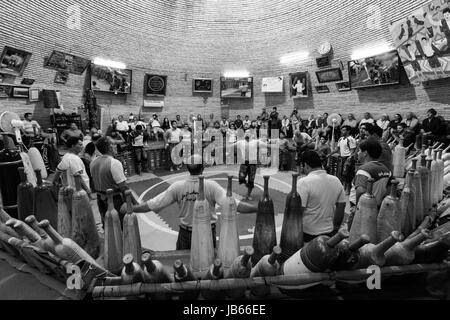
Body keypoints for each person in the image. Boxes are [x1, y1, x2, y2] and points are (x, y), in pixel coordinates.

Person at [121, 154, 257, 250]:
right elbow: (234, 205)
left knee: (183, 265)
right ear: (203, 168)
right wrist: (258, 208)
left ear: (187, 168)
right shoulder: (212, 186)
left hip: (186, 233)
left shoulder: (177, 186)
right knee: (209, 265)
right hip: (207, 232)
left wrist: (131, 208)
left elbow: (152, 204)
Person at [297, 151, 346, 242]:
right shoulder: (336, 180)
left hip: (307, 233)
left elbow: (298, 211)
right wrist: (336, 227)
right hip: (328, 232)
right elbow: (341, 206)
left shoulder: (303, 182)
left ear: (306, 165)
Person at [348, 139, 391, 228]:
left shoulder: (364, 170)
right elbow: (389, 190)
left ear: (365, 153)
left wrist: (358, 208)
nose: (358, 153)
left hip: (362, 208)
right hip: (376, 207)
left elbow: (360, 190)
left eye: (359, 150)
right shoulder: (386, 170)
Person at [91, 137, 130, 226]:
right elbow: (123, 187)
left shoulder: (93, 162)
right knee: (120, 225)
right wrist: (133, 203)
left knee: (107, 225)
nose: (116, 146)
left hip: (100, 198)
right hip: (114, 199)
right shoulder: (114, 163)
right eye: (114, 144)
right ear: (109, 147)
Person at [333, 126, 357, 194]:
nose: (342, 131)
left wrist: (350, 157)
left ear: (348, 131)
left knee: (347, 173)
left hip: (348, 158)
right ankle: (343, 187)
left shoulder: (351, 139)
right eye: (341, 130)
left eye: (344, 130)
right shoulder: (340, 139)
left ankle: (348, 189)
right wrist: (330, 153)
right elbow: (337, 149)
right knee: (341, 174)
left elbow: (353, 150)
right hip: (342, 158)